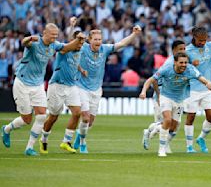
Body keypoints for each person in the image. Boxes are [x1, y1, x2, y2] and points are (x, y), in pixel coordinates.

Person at [1, 23, 85, 156]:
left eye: (56, 35)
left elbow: (68, 47)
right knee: (27, 120)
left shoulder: (54, 45)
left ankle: (29, 147)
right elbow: (24, 43)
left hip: (38, 85)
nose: (55, 37)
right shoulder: (34, 43)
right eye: (52, 35)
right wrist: (28, 39)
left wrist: (79, 39)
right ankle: (6, 129)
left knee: (41, 116)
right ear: (45, 33)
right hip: (22, 83)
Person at [72, 25, 142, 153]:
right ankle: (83, 143)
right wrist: (80, 69)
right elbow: (70, 53)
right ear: (89, 40)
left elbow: (121, 44)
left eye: (100, 39)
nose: (98, 42)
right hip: (81, 87)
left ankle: (79, 135)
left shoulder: (104, 49)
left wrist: (134, 34)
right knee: (86, 118)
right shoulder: (83, 49)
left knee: (90, 122)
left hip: (97, 89)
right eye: (95, 39)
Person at [139, 52, 211, 157]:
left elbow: (201, 78)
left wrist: (207, 83)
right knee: (167, 120)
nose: (184, 65)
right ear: (175, 62)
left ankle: (151, 129)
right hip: (166, 97)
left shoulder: (190, 69)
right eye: (181, 62)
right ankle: (162, 149)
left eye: (185, 62)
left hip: (179, 100)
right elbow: (150, 80)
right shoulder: (166, 69)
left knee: (172, 127)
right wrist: (143, 91)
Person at [39, 17, 85, 154]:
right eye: (78, 42)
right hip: (57, 86)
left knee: (77, 113)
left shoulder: (80, 51)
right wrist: (71, 27)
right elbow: (68, 43)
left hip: (71, 86)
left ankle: (66, 141)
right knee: (53, 117)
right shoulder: (64, 50)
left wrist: (81, 70)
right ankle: (44, 140)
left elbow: (75, 64)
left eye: (82, 43)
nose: (80, 45)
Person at [142, 40, 186, 153]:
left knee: (174, 126)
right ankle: (163, 145)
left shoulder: (182, 62)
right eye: (181, 49)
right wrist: (158, 95)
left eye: (184, 49)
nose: (183, 51)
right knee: (166, 123)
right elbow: (154, 80)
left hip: (176, 97)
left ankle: (150, 132)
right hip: (163, 96)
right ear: (174, 50)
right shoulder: (168, 64)